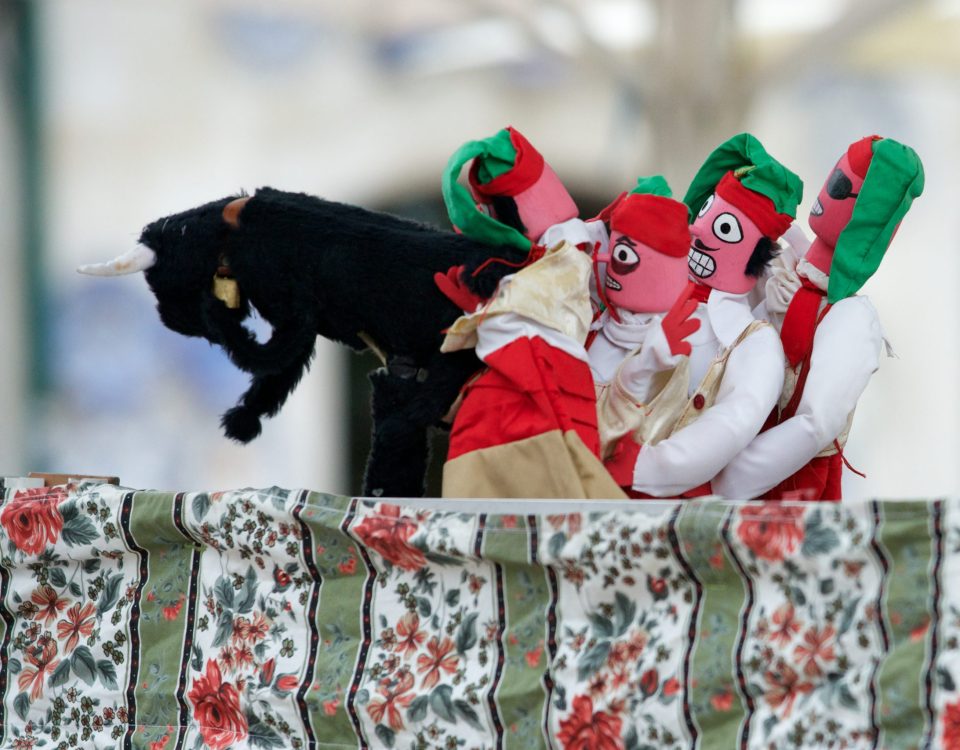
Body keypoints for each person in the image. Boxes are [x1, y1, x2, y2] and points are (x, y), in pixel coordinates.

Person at [712, 136, 924, 500]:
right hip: (729, 439)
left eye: (841, 187)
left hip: (789, 486)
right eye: (833, 179)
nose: (826, 194)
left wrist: (722, 483)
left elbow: (816, 423)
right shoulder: (789, 266)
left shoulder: (851, 319)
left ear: (867, 215)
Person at [605, 133, 802, 498]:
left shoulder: (751, 342)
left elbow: (731, 422)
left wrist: (641, 466)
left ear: (757, 254)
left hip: (665, 507)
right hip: (587, 472)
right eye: (706, 211)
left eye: (724, 226)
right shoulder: (646, 290)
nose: (698, 227)